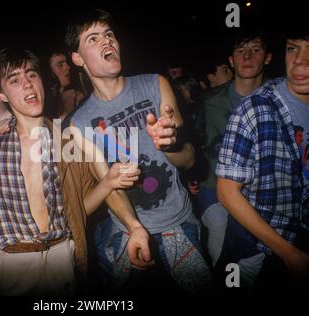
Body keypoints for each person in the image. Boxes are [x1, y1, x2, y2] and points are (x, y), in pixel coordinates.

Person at [0, 48, 150, 295]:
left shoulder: (68, 141)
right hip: (10, 264)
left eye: (31, 75)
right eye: (14, 80)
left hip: (62, 258)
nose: (27, 85)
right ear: (1, 93)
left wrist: (109, 185)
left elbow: (77, 211)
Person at [65, 9, 212, 294]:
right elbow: (110, 187)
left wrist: (170, 145)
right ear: (78, 58)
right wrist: (134, 226)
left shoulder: (156, 84)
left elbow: (191, 160)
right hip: (126, 233)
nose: (107, 42)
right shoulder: (79, 123)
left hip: (179, 225)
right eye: (93, 39)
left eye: (109, 34)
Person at [216, 33, 309, 293]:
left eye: (255, 50)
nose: (301, 61)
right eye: (293, 48)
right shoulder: (250, 109)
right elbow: (225, 190)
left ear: (267, 58)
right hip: (257, 246)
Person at [193, 33, 272, 266]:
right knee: (219, 230)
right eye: (240, 51)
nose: (247, 56)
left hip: (259, 193)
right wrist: (193, 173)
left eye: (255, 50)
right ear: (231, 59)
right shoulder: (209, 100)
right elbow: (196, 139)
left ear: (267, 58)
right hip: (213, 187)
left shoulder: (279, 99)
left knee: (252, 259)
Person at [44, 48, 86, 120]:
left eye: (66, 63)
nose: (68, 67)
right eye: (60, 65)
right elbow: (57, 129)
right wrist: (69, 102)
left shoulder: (75, 92)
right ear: (49, 72)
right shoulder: (44, 103)